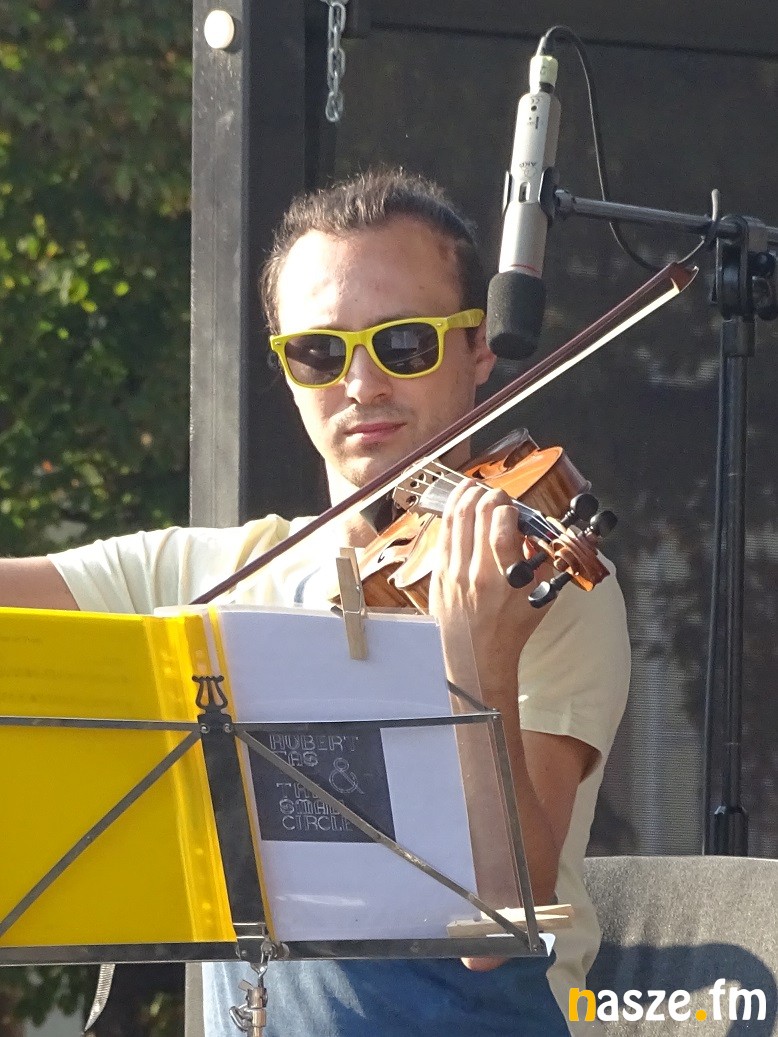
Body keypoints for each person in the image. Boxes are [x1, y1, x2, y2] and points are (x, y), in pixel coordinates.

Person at [2, 168, 629, 1036]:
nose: (362, 385)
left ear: (479, 349)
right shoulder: (224, 570)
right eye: (319, 352)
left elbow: (499, 919)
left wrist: (477, 661)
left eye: (403, 343)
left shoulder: (531, 581)